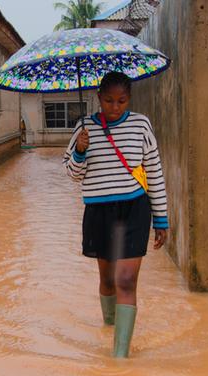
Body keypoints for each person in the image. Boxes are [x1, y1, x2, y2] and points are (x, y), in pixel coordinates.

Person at [63, 72, 169, 358]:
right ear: (99, 98)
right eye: (109, 100)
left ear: (129, 99)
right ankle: (109, 328)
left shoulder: (141, 125)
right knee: (108, 280)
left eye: (121, 101)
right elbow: (73, 175)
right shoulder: (83, 129)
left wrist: (161, 217)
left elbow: (153, 172)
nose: (115, 107)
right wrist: (80, 152)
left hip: (134, 209)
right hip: (99, 212)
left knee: (125, 280)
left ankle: (119, 358)